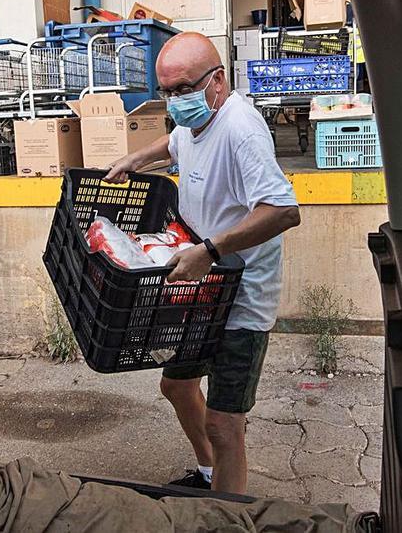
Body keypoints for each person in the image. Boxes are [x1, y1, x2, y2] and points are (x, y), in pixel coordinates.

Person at [105, 32, 301, 494]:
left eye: (183, 89)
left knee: (225, 425)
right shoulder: (196, 121)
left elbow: (283, 210)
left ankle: (229, 516)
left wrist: (209, 251)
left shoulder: (241, 130)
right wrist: (137, 158)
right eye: (166, 91)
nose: (174, 101)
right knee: (176, 387)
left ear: (217, 81)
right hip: (201, 290)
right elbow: (174, 142)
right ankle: (210, 476)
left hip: (240, 297)